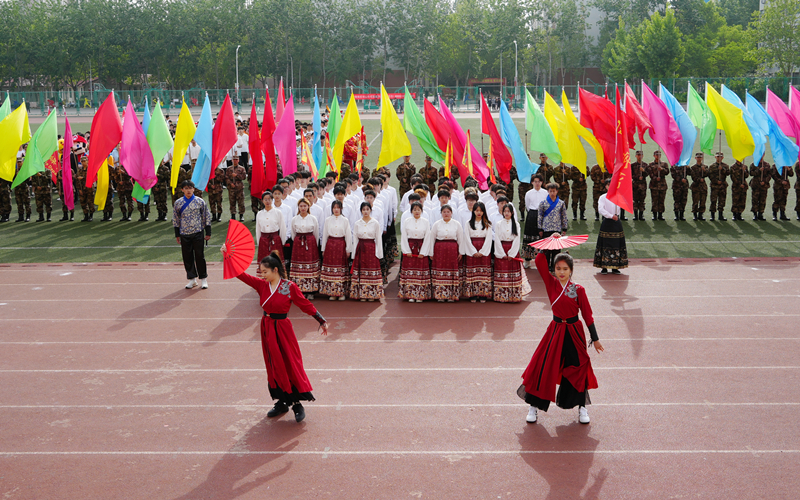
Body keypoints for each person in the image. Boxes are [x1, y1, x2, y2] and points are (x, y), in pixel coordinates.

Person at [224, 250, 328, 423]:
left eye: (265, 272)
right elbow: (240, 275)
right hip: (267, 328)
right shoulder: (261, 285)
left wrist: (320, 319)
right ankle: (281, 402)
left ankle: (296, 404)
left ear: (275, 270)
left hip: (283, 329)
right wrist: (228, 256)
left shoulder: (289, 287)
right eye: (261, 272)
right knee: (273, 365)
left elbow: (304, 303)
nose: (262, 275)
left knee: (289, 363)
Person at [519, 251, 604, 424]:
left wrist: (595, 338)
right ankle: (533, 406)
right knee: (543, 367)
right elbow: (539, 261)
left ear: (571, 270)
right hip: (556, 330)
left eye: (565, 268)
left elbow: (588, 315)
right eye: (558, 268)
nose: (562, 272)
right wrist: (547, 247)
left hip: (574, 332)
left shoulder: (579, 289)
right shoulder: (551, 284)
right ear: (554, 270)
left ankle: (582, 407)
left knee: (578, 368)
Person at [173, 180, 211, 289]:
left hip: (198, 232)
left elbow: (206, 217)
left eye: (190, 188)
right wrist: (177, 234)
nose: (188, 190)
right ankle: (192, 279)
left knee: (200, 256)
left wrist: (208, 232)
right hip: (184, 233)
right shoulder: (178, 203)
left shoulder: (200, 201)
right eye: (186, 188)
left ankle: (203, 279)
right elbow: (176, 219)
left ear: (193, 189)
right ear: (182, 190)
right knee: (187, 257)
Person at [426, 204, 465, 302]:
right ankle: (440, 295)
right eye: (444, 212)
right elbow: (432, 239)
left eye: (448, 212)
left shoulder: (457, 224)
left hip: (452, 250)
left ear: (451, 213)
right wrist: (431, 252)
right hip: (440, 250)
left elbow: (460, 239)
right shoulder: (436, 224)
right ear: (441, 213)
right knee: (440, 270)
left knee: (451, 271)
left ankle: (451, 295)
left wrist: (461, 252)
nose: (446, 214)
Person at [493, 204, 530, 303]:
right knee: (502, 273)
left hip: (512, 251)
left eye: (508, 211)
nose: (506, 213)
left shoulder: (516, 224)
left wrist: (511, 254)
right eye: (505, 211)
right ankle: (501, 296)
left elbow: (517, 239)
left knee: (512, 273)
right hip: (502, 250)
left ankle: (513, 296)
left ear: (512, 212)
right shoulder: (499, 224)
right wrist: (502, 253)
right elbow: (497, 239)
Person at [398, 201, 432, 303]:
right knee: (410, 272)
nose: (417, 211)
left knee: (420, 272)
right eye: (414, 209)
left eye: (418, 209)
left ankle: (420, 294)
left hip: (421, 248)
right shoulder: (407, 221)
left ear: (422, 211)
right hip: (410, 248)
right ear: (411, 211)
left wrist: (424, 252)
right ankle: (410, 294)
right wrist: (406, 250)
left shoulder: (425, 221)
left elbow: (427, 237)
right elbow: (403, 236)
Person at [350, 202, 384, 301]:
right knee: (362, 271)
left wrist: (379, 253)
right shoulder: (357, 223)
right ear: (361, 211)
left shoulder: (375, 223)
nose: (365, 211)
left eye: (367, 209)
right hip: (361, 248)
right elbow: (355, 238)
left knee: (371, 270)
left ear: (370, 210)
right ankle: (362, 294)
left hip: (371, 249)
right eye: (363, 209)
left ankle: (372, 294)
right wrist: (354, 254)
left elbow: (378, 238)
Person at [320, 200, 352, 300]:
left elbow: (348, 236)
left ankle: (341, 292)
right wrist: (323, 249)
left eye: (338, 208)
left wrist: (348, 249)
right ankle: (331, 292)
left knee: (340, 269)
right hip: (330, 245)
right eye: (334, 208)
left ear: (341, 209)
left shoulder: (345, 220)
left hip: (341, 245)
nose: (336, 210)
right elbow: (324, 234)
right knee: (331, 269)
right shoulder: (328, 220)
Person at [289, 198, 320, 298]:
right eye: (301, 206)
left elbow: (316, 232)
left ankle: (310, 291)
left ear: (308, 206)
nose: (303, 208)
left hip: (310, 243)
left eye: (304, 206)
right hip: (298, 243)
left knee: (310, 266)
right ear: (298, 207)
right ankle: (299, 290)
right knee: (299, 266)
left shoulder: (312, 218)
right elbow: (293, 234)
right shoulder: (295, 219)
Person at [462, 202, 493, 303]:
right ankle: (473, 294)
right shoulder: (468, 223)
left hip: (483, 249)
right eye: (477, 210)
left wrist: (483, 252)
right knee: (473, 272)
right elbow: (466, 238)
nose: (479, 212)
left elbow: (488, 239)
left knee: (483, 272)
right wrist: (473, 251)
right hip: (472, 249)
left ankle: (483, 294)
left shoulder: (488, 224)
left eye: (481, 210)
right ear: (473, 211)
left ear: (484, 211)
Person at [594, 188, 628, 275]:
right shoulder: (603, 197)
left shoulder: (618, 196)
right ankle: (604, 267)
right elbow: (601, 209)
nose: (610, 186)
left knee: (616, 244)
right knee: (605, 243)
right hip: (607, 222)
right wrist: (610, 215)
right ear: (605, 186)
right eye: (608, 185)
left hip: (616, 222)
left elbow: (623, 205)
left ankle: (615, 266)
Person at [538, 183, 569, 273]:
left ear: (557, 191)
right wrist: (540, 228)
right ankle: (546, 267)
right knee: (546, 251)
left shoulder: (561, 203)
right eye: (550, 191)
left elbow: (564, 216)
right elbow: (540, 216)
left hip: (557, 229)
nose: (552, 193)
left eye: (554, 191)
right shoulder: (543, 203)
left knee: (556, 251)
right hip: (546, 229)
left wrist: (564, 228)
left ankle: (555, 266)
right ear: (548, 191)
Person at [522, 174, 547, 268]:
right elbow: (527, 206)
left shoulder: (545, 193)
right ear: (532, 182)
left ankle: (539, 260)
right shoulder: (528, 193)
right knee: (529, 238)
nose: (537, 183)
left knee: (540, 237)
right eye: (535, 181)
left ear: (542, 182)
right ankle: (527, 260)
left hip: (542, 215)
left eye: (539, 181)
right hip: (531, 215)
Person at [255, 190, 286, 263]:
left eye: (269, 199)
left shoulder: (278, 212)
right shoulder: (259, 214)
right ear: (262, 201)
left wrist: (282, 242)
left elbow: (282, 228)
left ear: (272, 200)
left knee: (276, 261)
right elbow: (258, 229)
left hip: (275, 240)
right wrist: (259, 242)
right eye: (265, 199)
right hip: (263, 240)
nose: (267, 201)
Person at [708, 152, 730, 221]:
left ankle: (720, 215)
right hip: (715, 186)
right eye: (718, 156)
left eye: (720, 157)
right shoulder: (712, 166)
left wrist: (722, 169)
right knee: (713, 200)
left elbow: (728, 173)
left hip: (722, 186)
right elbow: (710, 175)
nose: (719, 158)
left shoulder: (725, 166)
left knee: (722, 201)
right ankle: (712, 216)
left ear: (722, 158)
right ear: (715, 157)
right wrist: (716, 181)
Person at [647, 152, 669, 221]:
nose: (658, 156)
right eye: (656, 155)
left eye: (659, 155)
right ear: (654, 156)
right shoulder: (651, 164)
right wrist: (655, 178)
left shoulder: (664, 164)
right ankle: (654, 215)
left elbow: (667, 172)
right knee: (654, 200)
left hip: (662, 185)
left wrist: (662, 169)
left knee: (661, 200)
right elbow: (650, 173)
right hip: (654, 185)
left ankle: (660, 214)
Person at [226, 156, 247, 221]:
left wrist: (237, 175)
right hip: (231, 188)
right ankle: (233, 215)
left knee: (241, 202)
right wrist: (230, 183)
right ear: (232, 160)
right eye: (234, 160)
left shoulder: (242, 168)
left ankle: (241, 215)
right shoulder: (229, 169)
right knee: (232, 202)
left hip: (239, 188)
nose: (235, 161)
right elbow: (226, 178)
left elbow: (244, 177)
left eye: (236, 160)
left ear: (238, 160)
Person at [689, 153, 708, 221]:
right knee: (695, 201)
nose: (699, 158)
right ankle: (695, 215)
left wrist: (704, 170)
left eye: (700, 157)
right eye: (698, 157)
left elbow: (707, 174)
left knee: (703, 201)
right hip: (696, 186)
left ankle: (701, 215)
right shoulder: (693, 168)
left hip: (703, 187)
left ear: (702, 158)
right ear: (695, 158)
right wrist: (699, 179)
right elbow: (693, 177)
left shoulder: (705, 167)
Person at [630, 151, 648, 221]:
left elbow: (647, 174)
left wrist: (643, 171)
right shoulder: (633, 165)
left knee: (642, 201)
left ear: (643, 156)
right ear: (636, 156)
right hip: (635, 185)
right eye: (638, 155)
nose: (639, 156)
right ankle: (635, 215)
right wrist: (637, 177)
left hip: (643, 185)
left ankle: (641, 215)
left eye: (641, 155)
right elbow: (630, 175)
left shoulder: (645, 165)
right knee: (635, 201)